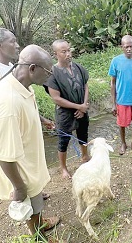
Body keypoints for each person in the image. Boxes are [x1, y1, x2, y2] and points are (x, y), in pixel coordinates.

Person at [0, 45, 60, 239]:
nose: (50, 76)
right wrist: (19, 187)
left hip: (30, 158)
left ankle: (41, 224)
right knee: (31, 205)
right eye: (48, 71)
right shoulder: (9, 102)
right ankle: (39, 236)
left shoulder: (23, 85)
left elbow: (27, 109)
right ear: (32, 69)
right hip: (21, 168)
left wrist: (42, 120)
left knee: (37, 202)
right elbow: (4, 156)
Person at [0, 27, 53, 200]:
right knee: (21, 178)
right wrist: (0, 141)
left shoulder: (14, 67)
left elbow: (23, 102)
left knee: (30, 171)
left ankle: (36, 194)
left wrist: (41, 119)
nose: (17, 45)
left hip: (20, 130)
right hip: (8, 133)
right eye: (12, 41)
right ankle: (35, 219)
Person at [45, 40, 90, 179]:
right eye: (64, 52)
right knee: (63, 140)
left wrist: (84, 106)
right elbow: (56, 98)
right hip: (64, 113)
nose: (68, 54)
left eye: (69, 50)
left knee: (83, 135)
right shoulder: (52, 73)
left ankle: (85, 156)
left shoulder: (78, 67)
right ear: (55, 54)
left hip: (82, 109)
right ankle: (63, 168)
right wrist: (78, 107)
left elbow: (86, 86)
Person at [109, 35, 132, 155]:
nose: (129, 49)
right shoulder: (116, 61)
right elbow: (113, 83)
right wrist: (113, 103)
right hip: (122, 99)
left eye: (131, 46)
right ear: (122, 47)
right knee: (122, 124)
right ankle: (123, 143)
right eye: (126, 47)